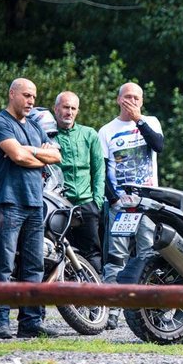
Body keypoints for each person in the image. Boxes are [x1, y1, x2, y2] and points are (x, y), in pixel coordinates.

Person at [0, 78, 62, 339]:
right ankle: (0, 323)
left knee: (34, 266)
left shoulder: (34, 126)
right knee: (4, 265)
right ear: (12, 94)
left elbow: (57, 156)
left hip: (35, 203)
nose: (31, 101)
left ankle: (30, 322)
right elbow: (17, 156)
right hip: (8, 202)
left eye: (34, 97)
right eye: (26, 95)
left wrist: (30, 151)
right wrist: (36, 155)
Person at [100, 82, 164, 330]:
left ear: (142, 101)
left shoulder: (151, 122)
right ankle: (112, 310)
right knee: (116, 258)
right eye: (127, 97)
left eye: (136, 98)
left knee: (148, 256)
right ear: (118, 100)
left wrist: (139, 120)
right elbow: (102, 171)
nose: (132, 101)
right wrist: (114, 200)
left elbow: (158, 146)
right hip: (120, 206)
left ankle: (150, 310)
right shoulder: (106, 131)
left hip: (147, 205)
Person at [53, 91, 105, 273]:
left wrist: (97, 202)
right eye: (66, 107)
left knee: (92, 253)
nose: (69, 112)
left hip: (86, 204)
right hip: (59, 204)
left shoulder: (89, 134)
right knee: (59, 252)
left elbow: (99, 169)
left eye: (73, 108)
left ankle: (96, 288)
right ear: (56, 109)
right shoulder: (48, 135)